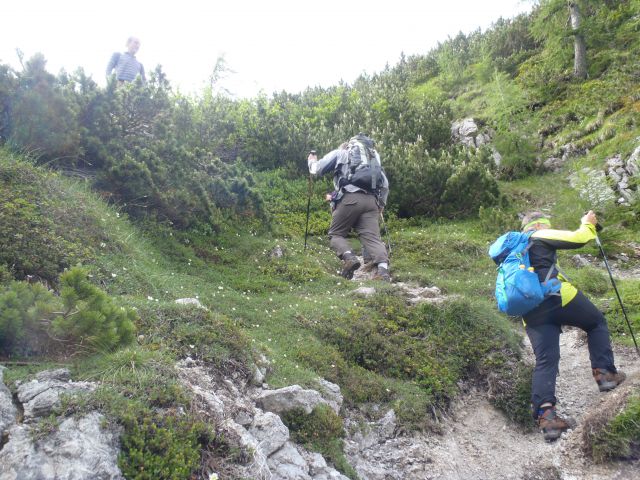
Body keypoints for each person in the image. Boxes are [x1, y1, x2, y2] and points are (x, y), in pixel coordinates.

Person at [520, 210, 626, 441]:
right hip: (557, 297)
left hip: (530, 312)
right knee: (596, 321)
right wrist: (587, 223)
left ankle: (548, 420)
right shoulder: (539, 234)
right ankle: (606, 374)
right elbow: (579, 238)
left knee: (546, 360)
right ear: (540, 225)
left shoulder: (515, 251)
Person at [308, 135, 390, 281]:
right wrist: (381, 205)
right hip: (372, 202)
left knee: (336, 234)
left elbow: (316, 169)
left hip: (350, 198)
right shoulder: (373, 161)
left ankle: (349, 258)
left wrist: (311, 161)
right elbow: (384, 185)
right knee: (373, 239)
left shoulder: (342, 152)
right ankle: (383, 271)